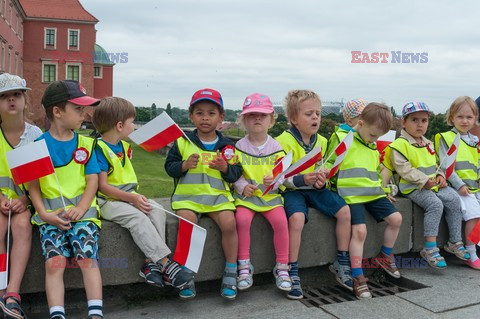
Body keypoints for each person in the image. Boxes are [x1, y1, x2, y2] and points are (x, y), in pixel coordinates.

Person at [91, 97, 193, 290]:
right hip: (108, 202)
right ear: (120, 125)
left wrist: (134, 198)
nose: (134, 126)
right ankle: (165, 264)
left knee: (157, 210)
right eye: (132, 122)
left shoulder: (123, 147)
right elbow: (102, 187)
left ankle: (150, 263)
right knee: (138, 218)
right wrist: (133, 198)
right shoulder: (100, 148)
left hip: (127, 198)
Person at [28, 80, 103, 319]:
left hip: (83, 215)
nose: (85, 114)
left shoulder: (86, 144)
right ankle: (57, 313)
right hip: (51, 217)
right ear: (58, 112)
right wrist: (43, 213)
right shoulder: (37, 146)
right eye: (79, 109)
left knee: (86, 256)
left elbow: (92, 181)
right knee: (55, 262)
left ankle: (95, 311)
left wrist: (81, 208)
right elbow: (34, 187)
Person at [165, 88, 242, 300]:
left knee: (229, 223)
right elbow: (169, 168)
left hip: (217, 199)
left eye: (211, 113)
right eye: (199, 113)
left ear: (221, 117)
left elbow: (236, 174)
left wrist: (225, 168)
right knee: (188, 222)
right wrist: (184, 165)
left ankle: (230, 270)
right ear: (191, 116)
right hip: (188, 199)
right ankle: (185, 274)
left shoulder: (227, 146)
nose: (205, 118)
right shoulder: (182, 142)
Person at [275, 90, 352, 300]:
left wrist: (321, 181)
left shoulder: (323, 142)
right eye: (309, 114)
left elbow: (325, 169)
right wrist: (302, 180)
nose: (315, 118)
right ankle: (291, 269)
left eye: (317, 113)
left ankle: (342, 262)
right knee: (297, 219)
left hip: (314, 190)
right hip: (293, 190)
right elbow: (278, 178)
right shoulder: (282, 142)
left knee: (345, 212)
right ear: (293, 118)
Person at [327, 102, 402, 300]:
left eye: (379, 136)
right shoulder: (342, 138)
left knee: (396, 219)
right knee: (360, 232)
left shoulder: (371, 144)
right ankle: (358, 275)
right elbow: (329, 163)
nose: (376, 140)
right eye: (373, 135)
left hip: (372, 193)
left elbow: (374, 172)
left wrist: (383, 190)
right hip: (351, 195)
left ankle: (384, 256)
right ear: (360, 123)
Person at [384, 102, 467, 269]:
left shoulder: (428, 143)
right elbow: (404, 169)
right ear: (403, 122)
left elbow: (438, 164)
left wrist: (440, 176)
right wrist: (423, 181)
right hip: (413, 187)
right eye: (414, 120)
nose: (420, 124)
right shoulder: (399, 144)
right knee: (435, 204)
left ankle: (454, 241)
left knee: (453, 199)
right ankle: (429, 248)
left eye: (424, 120)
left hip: (432, 185)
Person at [232, 93, 291, 292]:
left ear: (271, 120)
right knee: (241, 220)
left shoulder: (276, 146)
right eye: (252, 115)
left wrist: (274, 181)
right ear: (244, 120)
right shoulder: (239, 146)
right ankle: (244, 265)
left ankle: (282, 266)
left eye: (262, 115)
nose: (257, 118)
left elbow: (282, 174)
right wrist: (241, 186)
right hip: (247, 198)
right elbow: (235, 173)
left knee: (282, 223)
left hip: (270, 197)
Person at [0, 73, 41, 319]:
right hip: (0, 202)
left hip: (26, 201)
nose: (11, 100)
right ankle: (1, 288)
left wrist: (24, 201)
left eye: (16, 95)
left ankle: (13, 293)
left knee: (23, 226)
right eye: (4, 97)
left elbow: (42, 178)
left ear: (25, 100)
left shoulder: (35, 135)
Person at [435, 96, 480, 269]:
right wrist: (459, 185)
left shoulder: (475, 141)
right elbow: (447, 167)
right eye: (460, 116)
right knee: (475, 216)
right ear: (451, 117)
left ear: (475, 119)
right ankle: (470, 253)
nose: (465, 121)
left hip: (474, 187)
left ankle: (475, 245)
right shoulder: (445, 137)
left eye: (469, 117)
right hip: (457, 187)